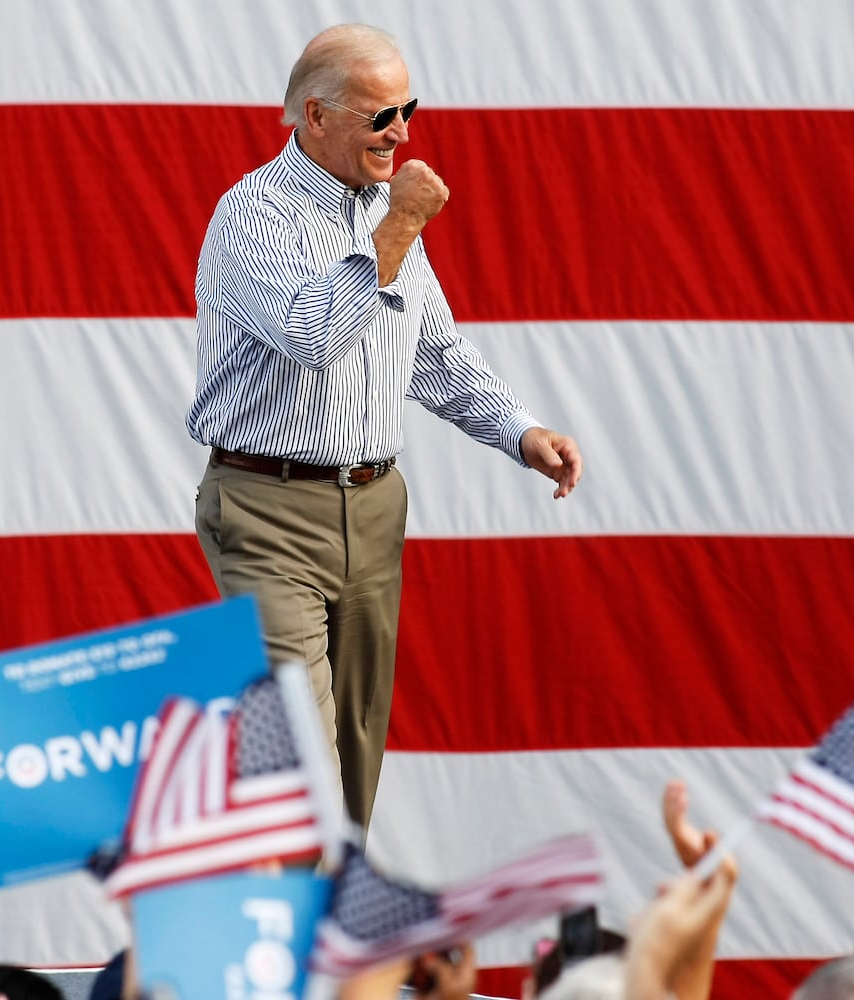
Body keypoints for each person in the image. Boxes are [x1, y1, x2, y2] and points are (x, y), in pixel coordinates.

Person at [187, 22, 583, 827]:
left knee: (357, 740)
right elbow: (312, 336)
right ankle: (309, 932)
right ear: (314, 116)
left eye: (408, 108)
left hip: (373, 506)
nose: (401, 131)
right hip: (269, 509)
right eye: (380, 116)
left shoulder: (379, 207)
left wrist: (518, 431)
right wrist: (397, 228)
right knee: (300, 754)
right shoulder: (253, 214)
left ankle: (338, 932)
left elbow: (430, 351)